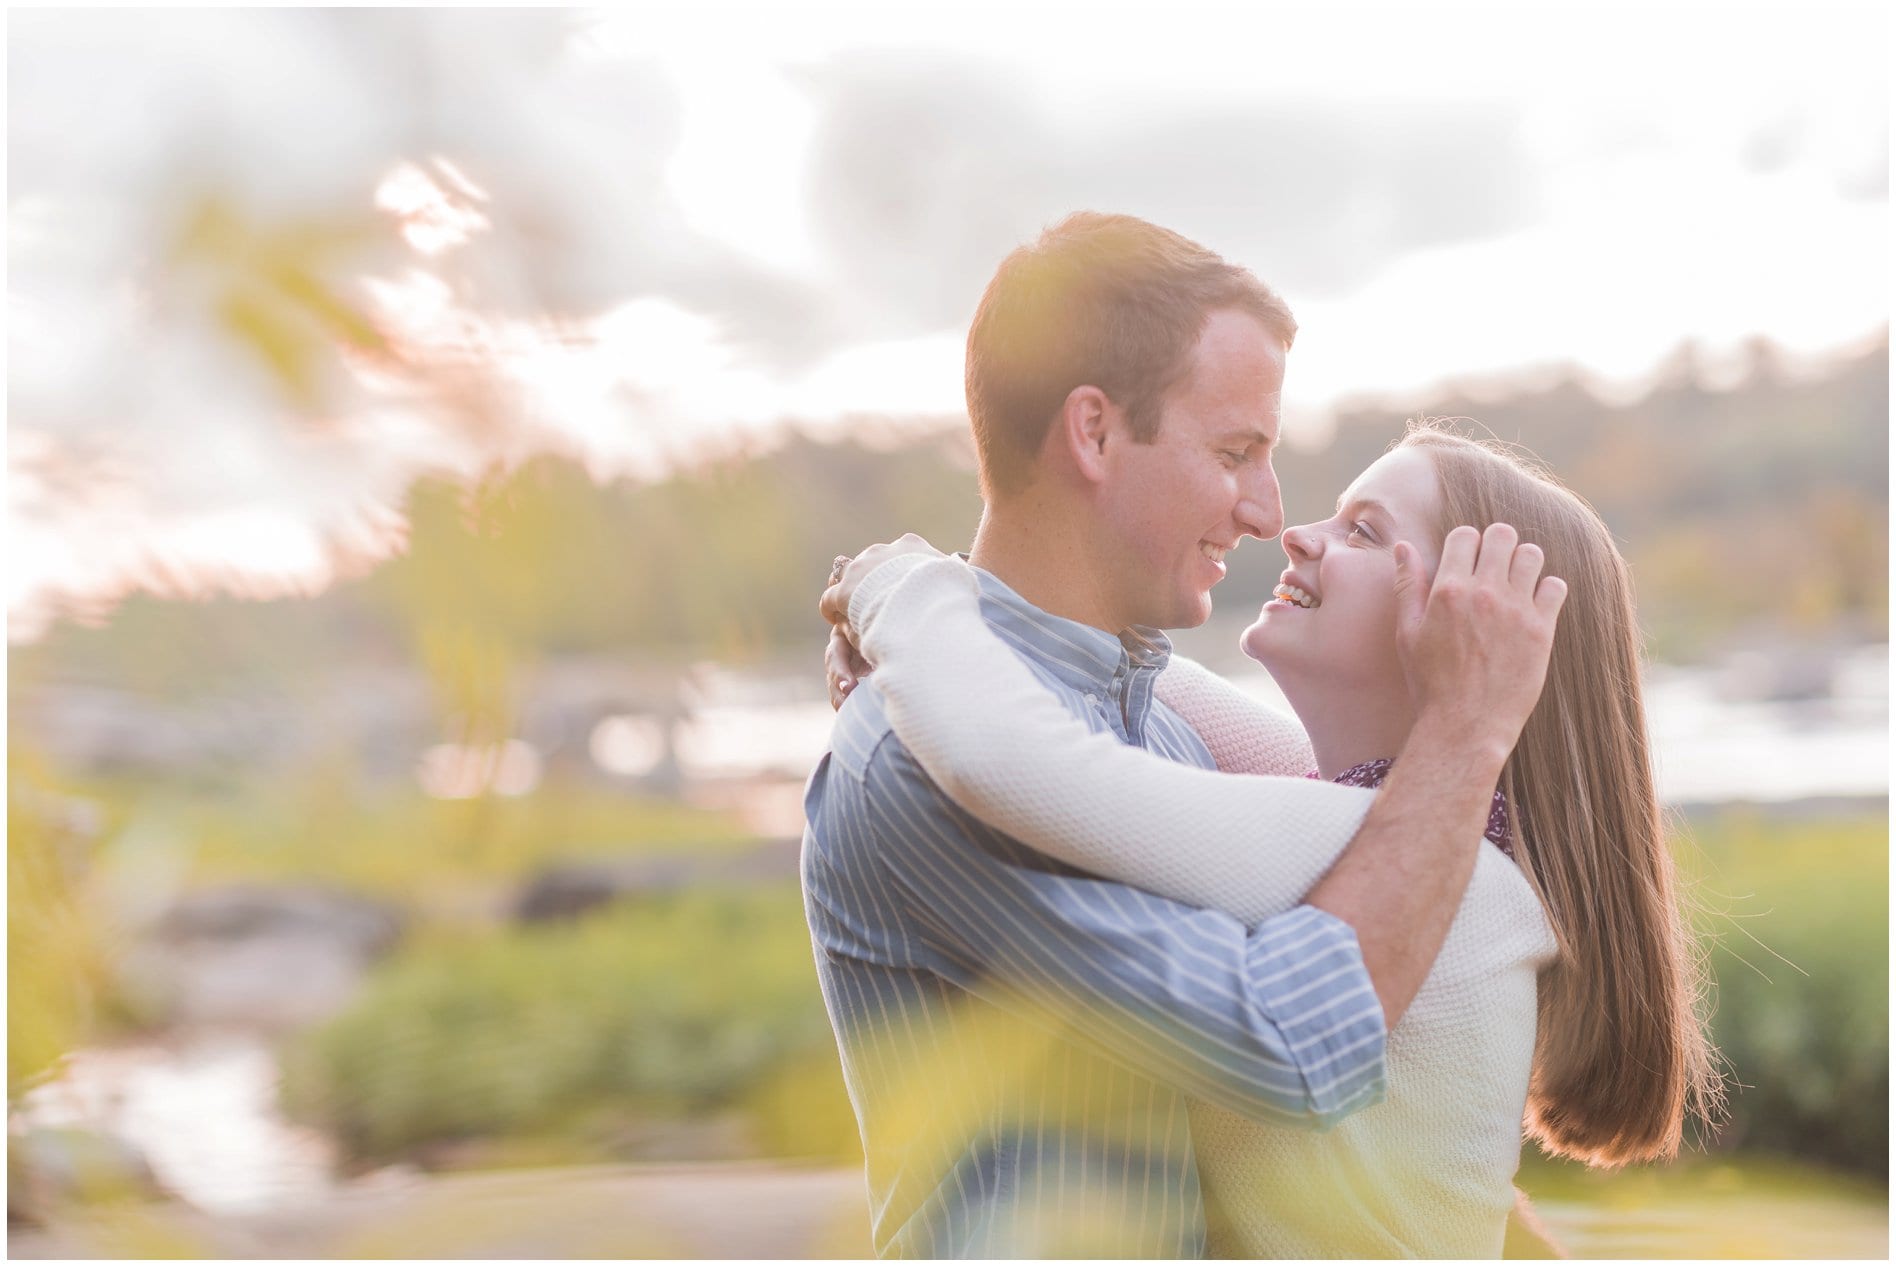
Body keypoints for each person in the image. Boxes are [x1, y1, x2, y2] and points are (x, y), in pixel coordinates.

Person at [799, 211, 1566, 1257]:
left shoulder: (1171, 736)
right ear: (1094, 433)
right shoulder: (921, 762)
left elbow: (1409, 1144)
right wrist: (1466, 732)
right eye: (1236, 451)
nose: (1267, 511)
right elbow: (1294, 1039)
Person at [821, 421, 1723, 1256]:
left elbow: (1015, 763)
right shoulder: (1397, 826)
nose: (1297, 532)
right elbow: (1131, 658)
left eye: (1365, 531)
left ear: (1465, 629)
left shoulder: (1370, 848)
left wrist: (898, 594)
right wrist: (944, 643)